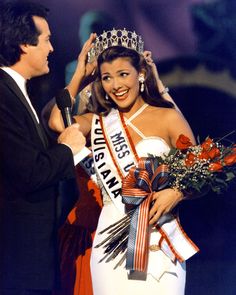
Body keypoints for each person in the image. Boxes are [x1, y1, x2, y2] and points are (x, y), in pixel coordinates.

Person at [49, 29, 197, 295]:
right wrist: (80, 75)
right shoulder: (98, 122)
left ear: (140, 73)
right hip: (110, 246)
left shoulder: (167, 118)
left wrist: (177, 192)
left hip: (159, 241)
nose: (115, 85)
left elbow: (200, 168)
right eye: (106, 77)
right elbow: (57, 121)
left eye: (123, 74)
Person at [0, 1, 87, 295]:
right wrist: (67, 148)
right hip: (17, 261)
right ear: (25, 44)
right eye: (47, 39)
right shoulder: (3, 96)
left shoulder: (18, 91)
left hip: (32, 259)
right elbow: (29, 171)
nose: (51, 48)